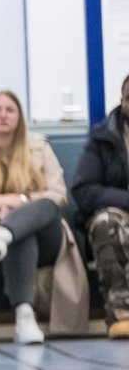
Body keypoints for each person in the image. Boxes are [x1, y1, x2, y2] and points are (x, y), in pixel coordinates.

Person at [0, 90, 88, 343]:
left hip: (48, 236)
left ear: (20, 116)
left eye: (10, 110)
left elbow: (58, 195)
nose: (3, 115)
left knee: (43, 205)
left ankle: (5, 233)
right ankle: (24, 315)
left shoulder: (40, 148)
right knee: (22, 236)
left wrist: (21, 202)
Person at [72, 74, 129, 339]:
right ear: (123, 101)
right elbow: (85, 191)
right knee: (108, 222)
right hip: (115, 215)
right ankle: (121, 314)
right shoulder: (101, 140)